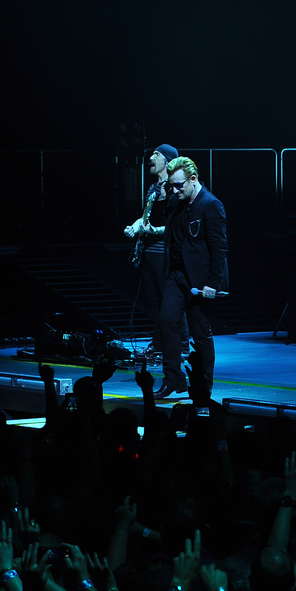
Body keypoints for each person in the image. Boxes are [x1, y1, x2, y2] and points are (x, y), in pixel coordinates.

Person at [155, 157, 229, 403]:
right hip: (176, 275)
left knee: (200, 333)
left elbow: (219, 248)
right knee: (167, 320)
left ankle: (204, 385)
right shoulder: (176, 202)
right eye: (172, 186)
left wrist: (212, 283)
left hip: (199, 279)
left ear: (193, 179)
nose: (175, 190)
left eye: (179, 185)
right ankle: (172, 379)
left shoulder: (210, 205)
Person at [123, 143, 180, 361]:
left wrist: (154, 230)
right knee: (154, 302)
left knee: (170, 301)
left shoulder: (174, 188)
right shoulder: (153, 188)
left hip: (163, 252)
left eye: (156, 154)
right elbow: (146, 216)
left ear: (167, 161)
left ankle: (180, 345)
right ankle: (158, 344)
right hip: (148, 250)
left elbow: (176, 224)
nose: (151, 158)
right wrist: (134, 226)